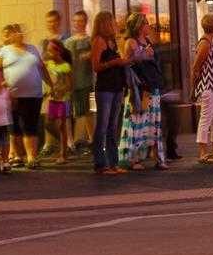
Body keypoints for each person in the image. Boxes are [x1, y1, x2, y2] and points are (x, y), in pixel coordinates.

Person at [0, 24, 51, 169]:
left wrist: (51, 84)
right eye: (16, 32)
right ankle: (18, 156)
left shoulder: (32, 49)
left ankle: (32, 157)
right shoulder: (2, 51)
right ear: (11, 35)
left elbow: (42, 68)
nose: (20, 34)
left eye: (21, 32)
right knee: (16, 127)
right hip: (12, 96)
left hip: (34, 95)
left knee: (30, 125)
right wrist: (3, 86)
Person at [119, 13, 166, 170]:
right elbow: (126, 63)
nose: (148, 26)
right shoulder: (131, 42)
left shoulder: (148, 41)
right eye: (146, 23)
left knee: (154, 121)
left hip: (153, 85)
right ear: (139, 25)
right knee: (138, 120)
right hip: (140, 87)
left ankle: (158, 156)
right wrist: (141, 55)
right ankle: (133, 158)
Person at [87, 11, 129, 175]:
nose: (115, 24)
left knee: (113, 126)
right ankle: (100, 163)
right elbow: (96, 66)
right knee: (103, 125)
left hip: (117, 87)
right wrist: (114, 62)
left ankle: (113, 163)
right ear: (105, 24)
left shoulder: (113, 41)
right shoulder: (99, 41)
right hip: (105, 88)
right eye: (112, 21)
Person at [192, 13, 213, 163]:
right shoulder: (205, 43)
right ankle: (203, 152)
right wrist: (194, 87)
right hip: (208, 86)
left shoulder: (210, 43)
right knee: (206, 118)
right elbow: (196, 67)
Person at [64, 11, 95, 154]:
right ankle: (71, 141)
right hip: (72, 82)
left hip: (88, 81)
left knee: (89, 111)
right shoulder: (68, 42)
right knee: (71, 112)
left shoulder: (91, 40)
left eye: (81, 21)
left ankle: (92, 140)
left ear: (85, 22)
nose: (78, 23)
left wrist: (90, 55)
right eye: (75, 21)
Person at [43, 38, 74, 161]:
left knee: (62, 125)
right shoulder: (49, 64)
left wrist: (61, 90)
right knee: (48, 123)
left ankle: (63, 153)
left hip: (62, 99)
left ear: (58, 51)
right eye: (48, 50)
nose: (48, 53)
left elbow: (70, 84)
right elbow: (46, 76)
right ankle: (63, 144)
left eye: (50, 50)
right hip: (52, 98)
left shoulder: (65, 66)